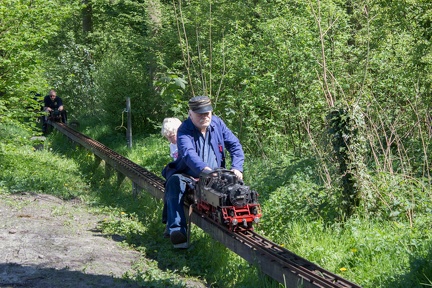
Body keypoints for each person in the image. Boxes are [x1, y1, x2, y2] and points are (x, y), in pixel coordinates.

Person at [162, 96, 245, 248]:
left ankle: (238, 222)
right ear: (190, 113)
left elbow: (235, 145)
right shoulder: (184, 130)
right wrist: (205, 170)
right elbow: (188, 153)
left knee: (237, 188)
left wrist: (237, 167)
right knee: (174, 182)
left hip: (216, 174)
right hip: (189, 173)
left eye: (207, 113)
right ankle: (177, 231)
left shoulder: (218, 123)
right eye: (200, 113)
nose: (204, 116)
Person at [160, 117, 182, 237]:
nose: (171, 140)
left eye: (172, 136)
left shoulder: (185, 142)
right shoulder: (172, 145)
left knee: (170, 184)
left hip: (186, 172)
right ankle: (168, 222)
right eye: (168, 137)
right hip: (177, 171)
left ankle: (169, 224)